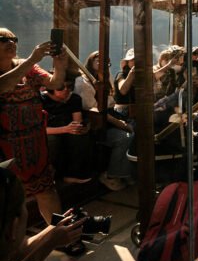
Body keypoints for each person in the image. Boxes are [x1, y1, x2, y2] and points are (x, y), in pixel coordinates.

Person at [0, 28, 68, 224]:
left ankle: (59, 233)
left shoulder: (27, 68)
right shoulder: (27, 65)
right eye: (3, 39)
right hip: (5, 151)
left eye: (14, 38)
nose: (11, 42)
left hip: (35, 147)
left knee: (47, 190)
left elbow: (54, 84)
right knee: (9, 198)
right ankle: (12, 245)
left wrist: (60, 65)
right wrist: (32, 59)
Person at [76, 52, 133, 192]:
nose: (103, 63)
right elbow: (93, 110)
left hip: (110, 116)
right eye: (98, 59)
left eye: (106, 62)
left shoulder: (104, 79)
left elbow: (112, 103)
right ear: (90, 61)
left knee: (136, 128)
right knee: (124, 138)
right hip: (96, 123)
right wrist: (119, 123)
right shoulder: (83, 82)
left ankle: (127, 171)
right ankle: (112, 175)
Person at [42, 80, 92, 184]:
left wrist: (79, 127)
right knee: (52, 141)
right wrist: (65, 129)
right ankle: (53, 175)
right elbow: (40, 129)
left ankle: (73, 174)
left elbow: (77, 120)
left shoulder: (74, 98)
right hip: (49, 131)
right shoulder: (41, 100)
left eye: (68, 87)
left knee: (79, 136)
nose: (66, 90)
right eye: (60, 88)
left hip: (67, 128)